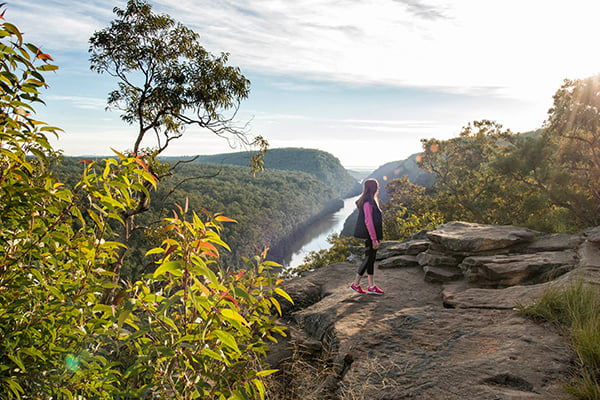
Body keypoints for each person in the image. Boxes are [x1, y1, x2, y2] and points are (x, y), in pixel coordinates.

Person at [350, 178, 384, 295]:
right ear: (373, 188)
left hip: (372, 236)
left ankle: (371, 286)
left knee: (371, 260)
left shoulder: (371, 201)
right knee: (368, 259)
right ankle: (355, 284)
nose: (379, 188)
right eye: (377, 186)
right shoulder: (368, 203)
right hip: (371, 236)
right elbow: (369, 222)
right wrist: (374, 239)